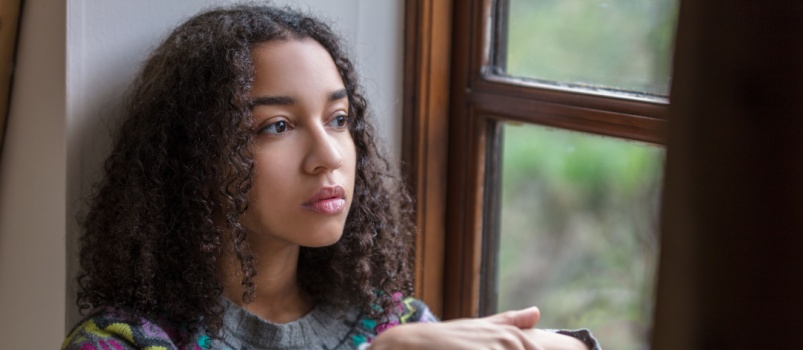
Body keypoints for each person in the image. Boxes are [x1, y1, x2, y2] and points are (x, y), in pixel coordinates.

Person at [62, 5, 599, 350]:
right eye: (277, 126)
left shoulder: (398, 322)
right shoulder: (121, 343)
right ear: (194, 159)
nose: (328, 155)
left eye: (339, 120)